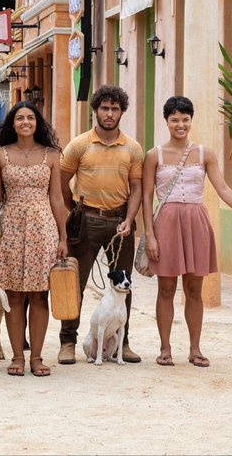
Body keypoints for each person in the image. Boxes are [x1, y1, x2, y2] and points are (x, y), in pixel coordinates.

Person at [141, 96, 232, 368]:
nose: (180, 125)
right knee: (166, 288)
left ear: (191, 121)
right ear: (166, 121)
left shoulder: (205, 154)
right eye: (174, 120)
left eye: (185, 119)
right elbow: (147, 197)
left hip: (196, 221)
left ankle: (195, 349)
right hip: (167, 222)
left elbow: (224, 189)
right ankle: (165, 349)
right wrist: (150, 234)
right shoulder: (153, 155)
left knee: (195, 290)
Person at [56, 85, 145, 365]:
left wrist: (130, 220)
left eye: (115, 109)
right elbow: (60, 183)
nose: (109, 114)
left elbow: (137, 187)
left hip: (121, 224)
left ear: (122, 112)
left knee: (124, 285)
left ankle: (123, 342)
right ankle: (68, 342)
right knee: (75, 283)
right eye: (104, 108)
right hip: (85, 222)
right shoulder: (79, 144)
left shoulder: (132, 147)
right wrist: (76, 212)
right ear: (95, 110)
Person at [0, 101, 68, 377]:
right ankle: (17, 356)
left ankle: (37, 357)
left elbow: (57, 198)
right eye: (19, 118)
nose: (25, 122)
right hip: (9, 226)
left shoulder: (52, 155)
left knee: (39, 294)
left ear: (37, 123)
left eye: (30, 118)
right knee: (14, 294)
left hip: (43, 227)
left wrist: (62, 236)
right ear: (12, 123)